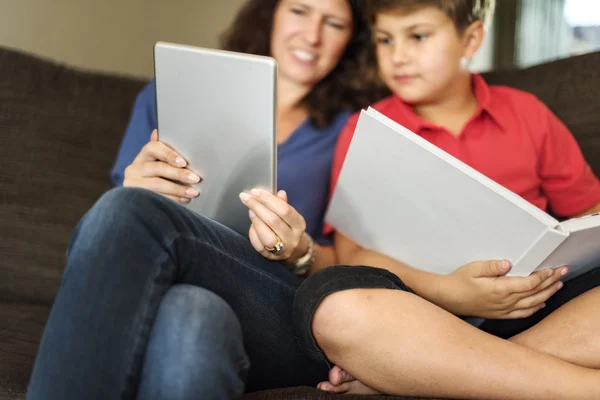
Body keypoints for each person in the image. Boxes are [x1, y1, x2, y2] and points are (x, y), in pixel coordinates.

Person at [26, 1, 386, 399]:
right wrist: (135, 187)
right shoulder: (167, 93)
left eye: (333, 23)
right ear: (272, 14)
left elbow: (361, 265)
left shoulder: (356, 127)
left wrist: (299, 251)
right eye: (299, 11)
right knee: (191, 317)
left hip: (280, 302)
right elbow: (110, 238)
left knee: (127, 212)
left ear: (352, 40)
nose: (312, 35)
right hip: (173, 280)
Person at [292, 0, 600, 398]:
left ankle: (430, 377)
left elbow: (587, 213)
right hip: (416, 312)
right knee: (334, 304)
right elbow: (352, 251)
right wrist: (447, 290)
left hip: (529, 306)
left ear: (470, 39)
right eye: (385, 40)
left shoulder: (529, 114)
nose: (398, 56)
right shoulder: (367, 128)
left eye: (418, 36)